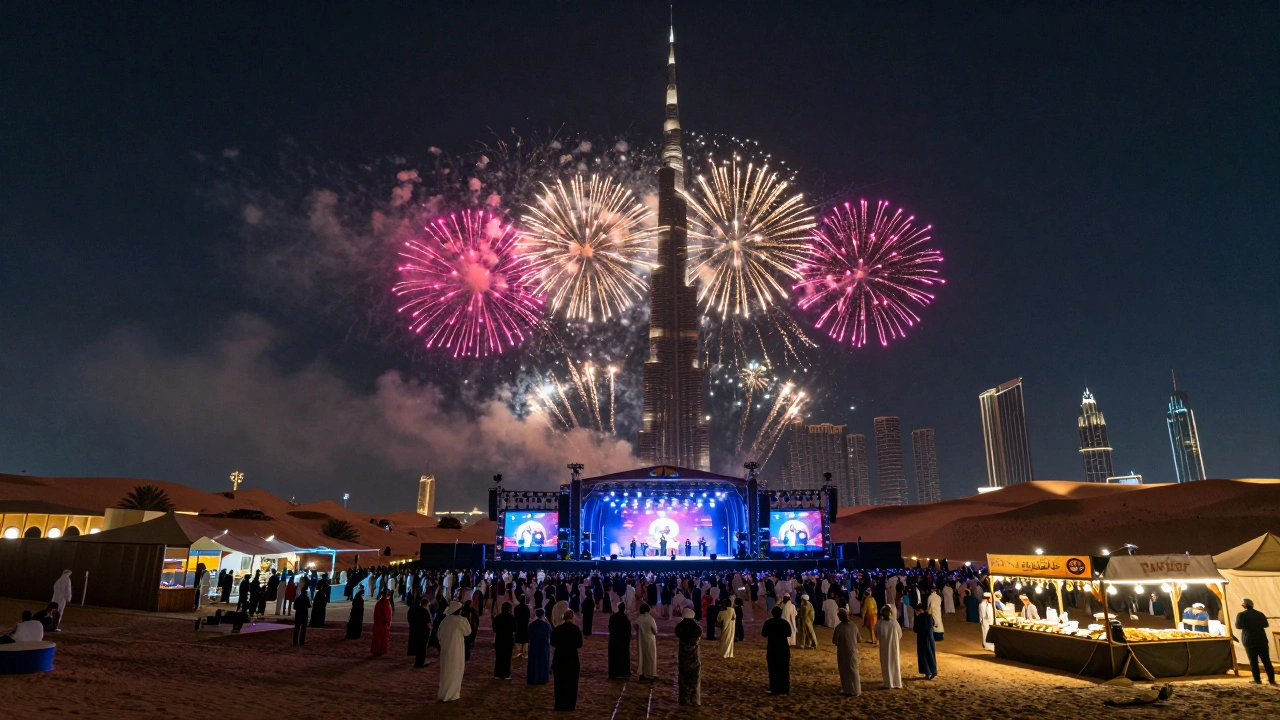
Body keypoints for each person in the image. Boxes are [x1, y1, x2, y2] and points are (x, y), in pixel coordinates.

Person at [1236, 598, 1276, 685]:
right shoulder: (1260, 614)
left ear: (1244, 605)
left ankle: (1257, 680)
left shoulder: (1241, 615)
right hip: (1261, 639)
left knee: (1253, 661)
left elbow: (1238, 626)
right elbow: (1266, 624)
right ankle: (1272, 680)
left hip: (1249, 640)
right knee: (1266, 660)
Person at [437, 601, 471, 702]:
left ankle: (444, 693)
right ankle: (452, 694)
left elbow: (438, 635)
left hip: (446, 650)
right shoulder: (460, 621)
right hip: (456, 650)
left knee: (446, 672)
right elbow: (468, 632)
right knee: (455, 670)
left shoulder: (444, 621)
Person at [550, 610, 584, 711]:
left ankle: (560, 705)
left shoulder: (557, 629)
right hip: (572, 659)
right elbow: (579, 644)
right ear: (572, 618)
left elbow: (553, 642)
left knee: (559, 683)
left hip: (559, 658)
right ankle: (570, 705)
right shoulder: (575, 629)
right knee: (572, 684)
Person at [761, 605, 793, 694]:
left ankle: (774, 689)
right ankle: (785, 689)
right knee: (784, 669)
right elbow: (789, 634)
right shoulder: (785, 623)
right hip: (783, 648)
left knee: (773, 669)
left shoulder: (768, 623)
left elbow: (764, 634)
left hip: (773, 648)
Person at [674, 608, 701, 706]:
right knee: (694, 679)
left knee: (683, 678)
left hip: (683, 657)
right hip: (694, 657)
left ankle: (683, 700)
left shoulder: (680, 627)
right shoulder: (696, 628)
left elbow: (677, 633)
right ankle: (694, 700)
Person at [832, 609, 861, 696]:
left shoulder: (839, 628)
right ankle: (856, 690)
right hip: (852, 651)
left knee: (844, 671)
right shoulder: (854, 626)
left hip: (842, 652)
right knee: (853, 670)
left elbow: (834, 641)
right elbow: (858, 639)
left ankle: (848, 689)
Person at [875, 605, 903, 688]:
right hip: (894, 646)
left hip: (884, 647)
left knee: (886, 663)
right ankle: (896, 682)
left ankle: (888, 683)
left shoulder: (880, 624)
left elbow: (877, 634)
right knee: (894, 662)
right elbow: (900, 634)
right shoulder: (894, 623)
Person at [491, 601, 516, 679]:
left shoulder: (497, 617)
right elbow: (514, 629)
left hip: (499, 639)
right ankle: (506, 674)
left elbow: (494, 628)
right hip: (508, 639)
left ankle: (497, 674)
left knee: (499, 657)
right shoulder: (512, 618)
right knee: (507, 658)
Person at [527, 607, 552, 685]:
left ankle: (533, 678)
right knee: (543, 663)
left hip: (534, 647)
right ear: (543, 615)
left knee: (534, 663)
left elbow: (529, 636)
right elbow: (550, 634)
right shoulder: (546, 625)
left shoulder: (531, 625)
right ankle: (543, 678)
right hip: (543, 647)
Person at [607, 602, 632, 679]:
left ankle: (614, 673)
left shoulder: (613, 617)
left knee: (614, 658)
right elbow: (629, 632)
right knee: (623, 658)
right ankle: (623, 672)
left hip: (614, 641)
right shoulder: (626, 620)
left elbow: (610, 628)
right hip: (623, 642)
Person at [914, 604, 937, 679]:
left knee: (923, 654)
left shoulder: (919, 618)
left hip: (922, 638)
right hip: (930, 638)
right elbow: (933, 624)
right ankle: (933, 670)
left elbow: (915, 629)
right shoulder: (929, 617)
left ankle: (928, 672)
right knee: (930, 654)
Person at [407, 596, 432, 668]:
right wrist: (430, 630)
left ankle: (417, 662)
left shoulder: (413, 609)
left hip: (415, 631)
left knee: (417, 647)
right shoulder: (425, 611)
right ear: (426, 604)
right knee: (422, 648)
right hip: (423, 632)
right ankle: (420, 663)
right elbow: (428, 623)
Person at [637, 603, 658, 680]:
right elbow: (655, 631)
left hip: (642, 640)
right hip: (650, 639)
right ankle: (652, 673)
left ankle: (642, 673)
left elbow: (636, 626)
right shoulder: (650, 618)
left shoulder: (640, 618)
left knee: (643, 656)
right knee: (651, 656)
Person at [370, 590, 392, 656]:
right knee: (381, 638)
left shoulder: (379, 603)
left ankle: (377, 650)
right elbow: (386, 613)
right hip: (383, 624)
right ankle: (379, 650)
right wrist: (388, 621)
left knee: (377, 637)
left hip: (378, 623)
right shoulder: (385, 603)